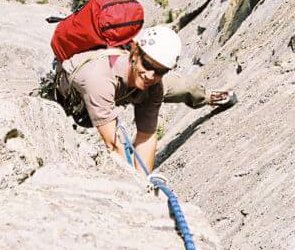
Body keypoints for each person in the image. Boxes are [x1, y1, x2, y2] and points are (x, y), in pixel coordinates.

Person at [53, 26, 235, 171]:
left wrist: (143, 181)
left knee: (182, 87)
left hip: (128, 82)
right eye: (147, 64)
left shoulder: (153, 81)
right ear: (134, 53)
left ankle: (209, 97)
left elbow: (146, 136)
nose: (150, 74)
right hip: (78, 96)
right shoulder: (97, 80)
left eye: (160, 70)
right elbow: (115, 145)